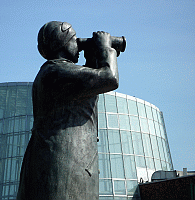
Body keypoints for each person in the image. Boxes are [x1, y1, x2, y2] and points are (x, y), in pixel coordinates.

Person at [17, 21, 119, 200]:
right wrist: (105, 49)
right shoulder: (55, 71)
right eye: (74, 39)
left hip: (73, 162)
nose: (78, 45)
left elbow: (87, 93)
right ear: (63, 44)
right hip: (62, 164)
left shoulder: (60, 72)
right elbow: (109, 78)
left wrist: (91, 60)